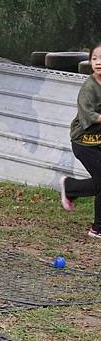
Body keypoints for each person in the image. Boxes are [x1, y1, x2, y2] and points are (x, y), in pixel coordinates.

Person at [59, 43, 101, 239]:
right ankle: (97, 229)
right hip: (84, 141)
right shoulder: (89, 88)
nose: (99, 63)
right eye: (94, 59)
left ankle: (71, 188)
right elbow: (89, 116)